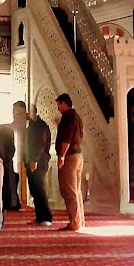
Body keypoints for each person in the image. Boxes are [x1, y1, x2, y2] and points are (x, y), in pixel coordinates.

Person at [15, 101, 53, 226]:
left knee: (39, 188)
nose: (17, 115)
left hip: (38, 162)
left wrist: (34, 160)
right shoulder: (31, 125)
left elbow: (39, 144)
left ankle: (46, 217)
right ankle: (40, 217)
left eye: (19, 112)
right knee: (34, 189)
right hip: (31, 161)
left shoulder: (39, 126)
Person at [55, 93, 85, 231]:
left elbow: (66, 138)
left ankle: (74, 222)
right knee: (77, 191)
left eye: (58, 105)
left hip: (70, 157)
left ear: (64, 103)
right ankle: (80, 221)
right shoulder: (77, 117)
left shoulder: (67, 117)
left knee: (69, 191)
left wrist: (61, 156)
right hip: (78, 155)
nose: (57, 108)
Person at [0, 123, 21, 212]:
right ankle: (10, 204)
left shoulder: (3, 134)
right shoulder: (8, 134)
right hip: (6, 162)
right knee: (8, 184)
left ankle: (7, 204)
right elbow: (12, 150)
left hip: (4, 161)